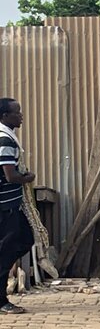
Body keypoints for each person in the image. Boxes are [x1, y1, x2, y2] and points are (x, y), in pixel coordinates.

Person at [0, 99, 35, 315]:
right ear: (5, 116)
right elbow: (10, 176)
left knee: (24, 240)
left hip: (10, 204)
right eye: (17, 112)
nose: (21, 116)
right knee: (8, 249)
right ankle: (1, 301)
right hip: (5, 206)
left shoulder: (7, 136)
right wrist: (27, 177)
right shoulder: (5, 140)